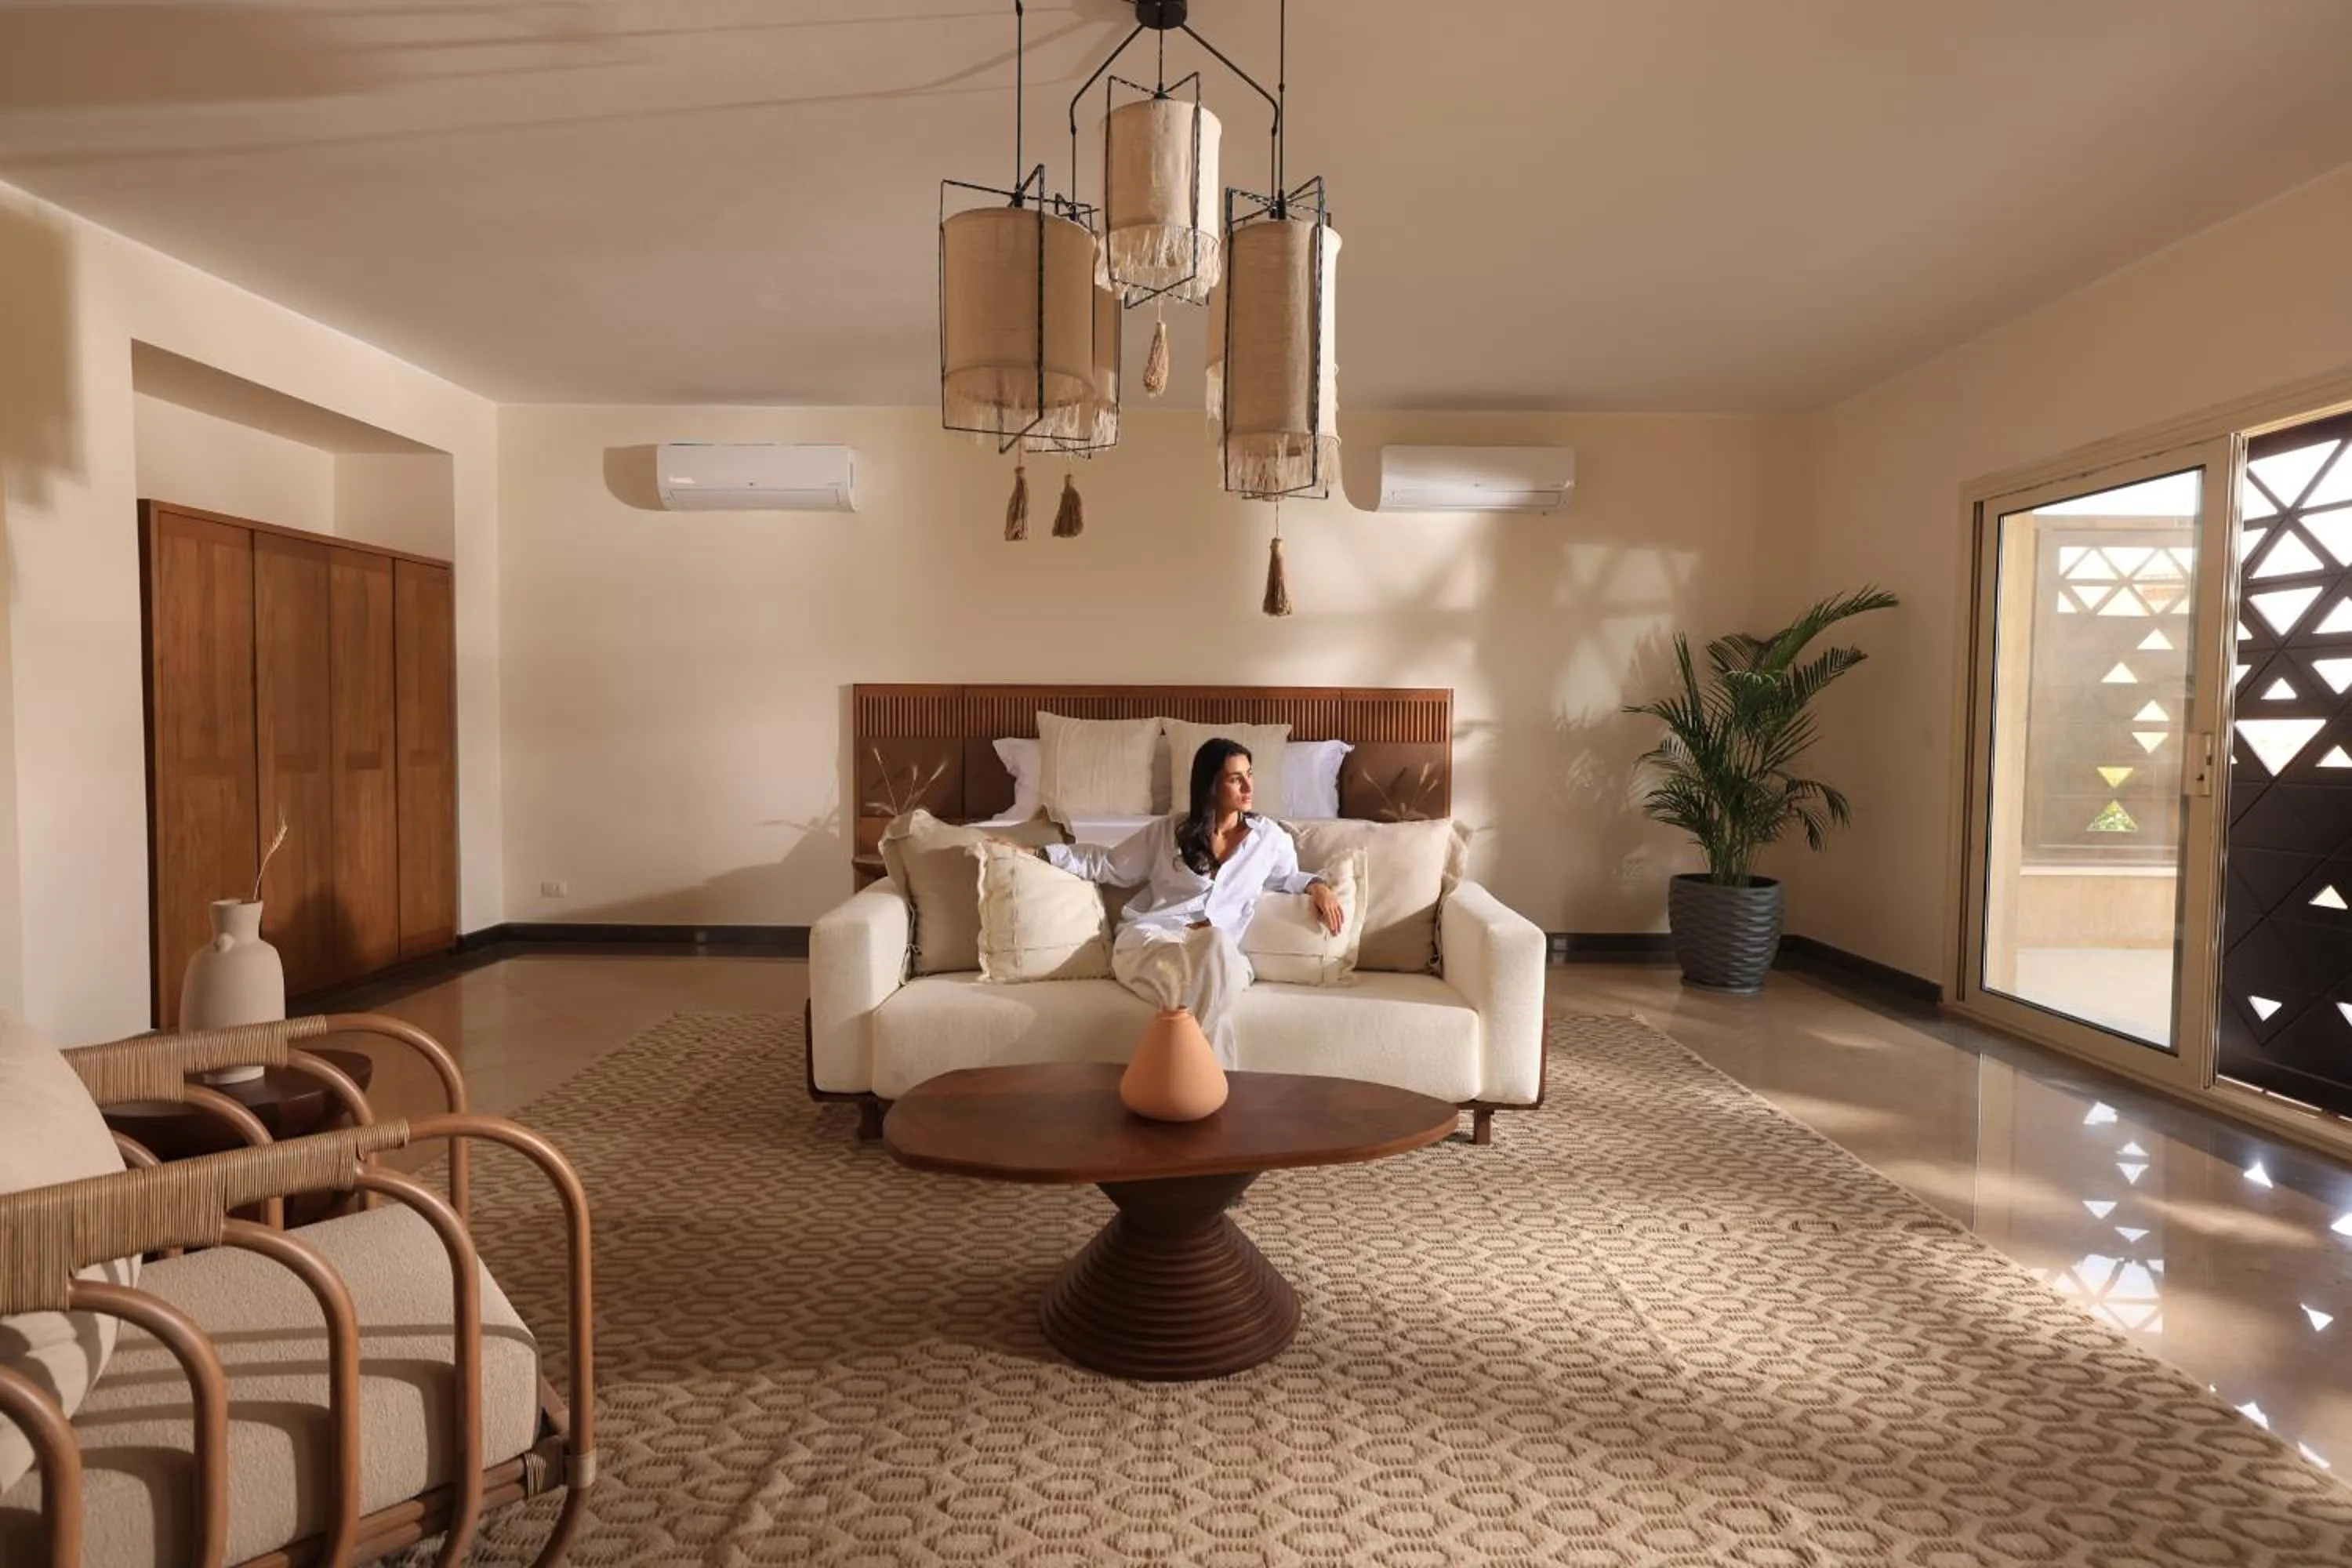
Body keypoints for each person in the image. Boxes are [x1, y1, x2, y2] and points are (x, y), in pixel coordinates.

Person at [1015, 739, 1342, 1068]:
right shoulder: (1167, 832)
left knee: (1216, 944)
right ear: (1211, 786)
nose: (1248, 786)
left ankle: (1172, 1073)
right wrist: (1038, 853)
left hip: (1216, 954)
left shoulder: (1269, 839)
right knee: (1217, 1001)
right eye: (1234, 778)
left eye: (1250, 774)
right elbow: (1108, 864)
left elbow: (1290, 877)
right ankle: (1208, 1089)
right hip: (1153, 942)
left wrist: (1319, 887)